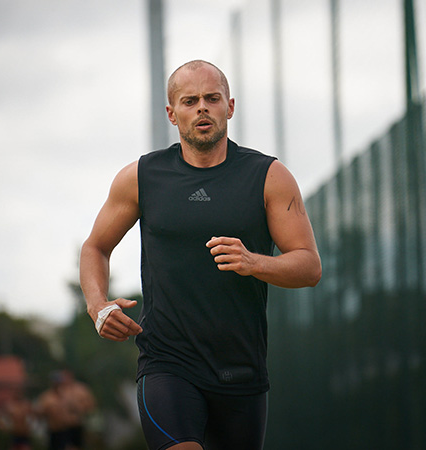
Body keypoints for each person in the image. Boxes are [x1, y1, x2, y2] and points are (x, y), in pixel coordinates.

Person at [79, 59, 321, 450]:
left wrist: (254, 262)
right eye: (190, 101)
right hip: (167, 364)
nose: (203, 108)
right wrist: (97, 305)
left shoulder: (269, 176)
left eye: (212, 98)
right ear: (173, 114)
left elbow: (309, 266)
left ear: (230, 106)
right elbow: (95, 247)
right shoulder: (141, 177)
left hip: (242, 370)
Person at [59, 370, 96, 450]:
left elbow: (91, 405)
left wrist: (78, 407)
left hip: (76, 424)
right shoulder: (57, 391)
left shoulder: (81, 390)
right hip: (60, 427)